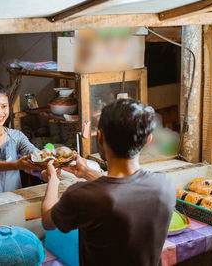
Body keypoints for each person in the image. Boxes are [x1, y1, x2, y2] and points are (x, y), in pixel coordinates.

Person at [41, 99, 176, 266]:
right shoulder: (165, 186)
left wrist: (53, 180)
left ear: (100, 137)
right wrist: (87, 172)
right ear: (148, 139)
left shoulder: (82, 196)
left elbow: (48, 221)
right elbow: (123, 190)